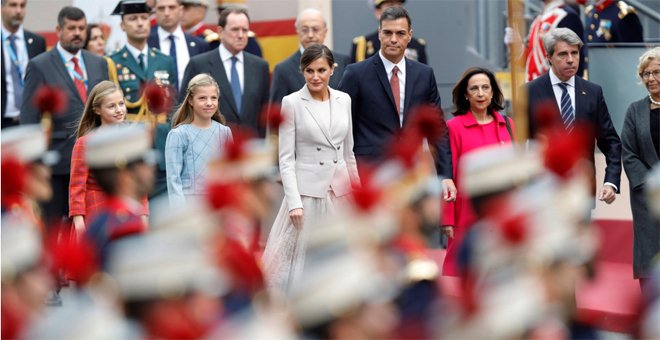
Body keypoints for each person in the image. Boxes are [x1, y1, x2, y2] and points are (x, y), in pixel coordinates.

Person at [262, 44, 361, 293]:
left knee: (343, 258)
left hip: (340, 193)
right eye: (309, 71)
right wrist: (294, 201)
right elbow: (285, 158)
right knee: (302, 264)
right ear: (302, 72)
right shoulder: (292, 102)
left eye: (321, 70)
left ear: (332, 70)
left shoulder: (344, 100)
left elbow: (348, 153)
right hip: (307, 196)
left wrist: (359, 194)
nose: (315, 76)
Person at [338, 6, 456, 201]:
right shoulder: (356, 74)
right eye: (388, 32)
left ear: (409, 36)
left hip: (412, 175)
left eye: (400, 33)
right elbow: (341, 126)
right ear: (379, 34)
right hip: (368, 174)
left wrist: (444, 175)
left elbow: (438, 129)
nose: (393, 39)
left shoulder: (424, 74)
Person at [20, 6, 110, 225]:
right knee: (53, 226)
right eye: (72, 28)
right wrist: (37, 163)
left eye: (81, 28)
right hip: (58, 162)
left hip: (94, 161)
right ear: (59, 29)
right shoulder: (39, 65)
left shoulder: (98, 63)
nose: (78, 33)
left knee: (90, 225)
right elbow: (29, 118)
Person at [527, 27, 621, 205]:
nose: (570, 60)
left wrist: (611, 182)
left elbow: (610, 141)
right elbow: (519, 143)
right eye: (563, 54)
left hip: (581, 191)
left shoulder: (593, 92)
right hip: (542, 193)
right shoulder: (530, 92)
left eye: (574, 53)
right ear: (549, 57)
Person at [440, 67, 515, 276]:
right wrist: (447, 218)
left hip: (501, 213)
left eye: (485, 88)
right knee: (462, 273)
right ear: (466, 94)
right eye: (474, 89)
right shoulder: (453, 127)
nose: (480, 93)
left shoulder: (508, 125)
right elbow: (447, 173)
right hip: (466, 213)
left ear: (493, 92)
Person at [109, 0, 177, 199]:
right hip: (129, 147)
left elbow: (172, 105)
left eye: (144, 18)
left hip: (162, 145)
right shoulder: (113, 62)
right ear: (122, 25)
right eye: (133, 19)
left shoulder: (164, 60)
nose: (140, 23)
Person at [69, 81, 149, 237]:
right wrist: (79, 223)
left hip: (128, 207)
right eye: (111, 106)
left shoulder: (132, 139)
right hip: (95, 208)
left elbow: (140, 181)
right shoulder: (85, 143)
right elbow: (77, 187)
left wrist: (143, 214)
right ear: (97, 110)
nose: (119, 110)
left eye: (121, 104)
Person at [180, 6, 269, 137]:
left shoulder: (260, 66)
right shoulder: (199, 64)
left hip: (250, 148)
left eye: (244, 30)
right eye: (235, 29)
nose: (240, 35)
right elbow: (184, 109)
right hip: (210, 148)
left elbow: (264, 111)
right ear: (220, 31)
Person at [83, 124, 156, 265]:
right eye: (145, 163)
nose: (151, 168)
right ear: (125, 177)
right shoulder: (125, 226)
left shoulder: (105, 220)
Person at [621, 47, 660, 287]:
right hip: (647, 196)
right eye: (646, 74)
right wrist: (652, 185)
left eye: (657, 72)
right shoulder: (635, 110)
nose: (651, 79)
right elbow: (629, 152)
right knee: (649, 256)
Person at [165, 73, 233, 207]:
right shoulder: (178, 135)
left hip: (218, 206)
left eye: (213, 98)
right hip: (190, 207)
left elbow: (231, 174)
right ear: (190, 100)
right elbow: (173, 180)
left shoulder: (224, 132)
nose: (209, 103)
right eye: (202, 98)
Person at [269, 8, 351, 105]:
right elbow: (276, 114)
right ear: (298, 32)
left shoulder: (344, 62)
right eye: (305, 30)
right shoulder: (283, 69)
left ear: (325, 31)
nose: (310, 35)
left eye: (316, 29)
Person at [1, 0, 46, 129]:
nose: (18, 11)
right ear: (1, 8)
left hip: (31, 122)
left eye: (22, 5)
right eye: (13, 5)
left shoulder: (37, 42)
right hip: (3, 121)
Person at [147, 0, 209, 91]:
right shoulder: (147, 43)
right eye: (161, 8)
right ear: (155, 11)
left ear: (181, 10)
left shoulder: (199, 45)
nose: (166, 13)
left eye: (172, 7)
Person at [518, 0, 587, 81]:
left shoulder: (566, 16)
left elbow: (573, 60)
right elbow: (530, 57)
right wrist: (516, 46)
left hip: (554, 88)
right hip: (534, 85)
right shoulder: (538, 19)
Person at [350, 0, 427, 64]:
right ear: (378, 12)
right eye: (390, 6)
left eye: (399, 6)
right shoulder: (362, 45)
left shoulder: (416, 45)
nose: (396, 11)